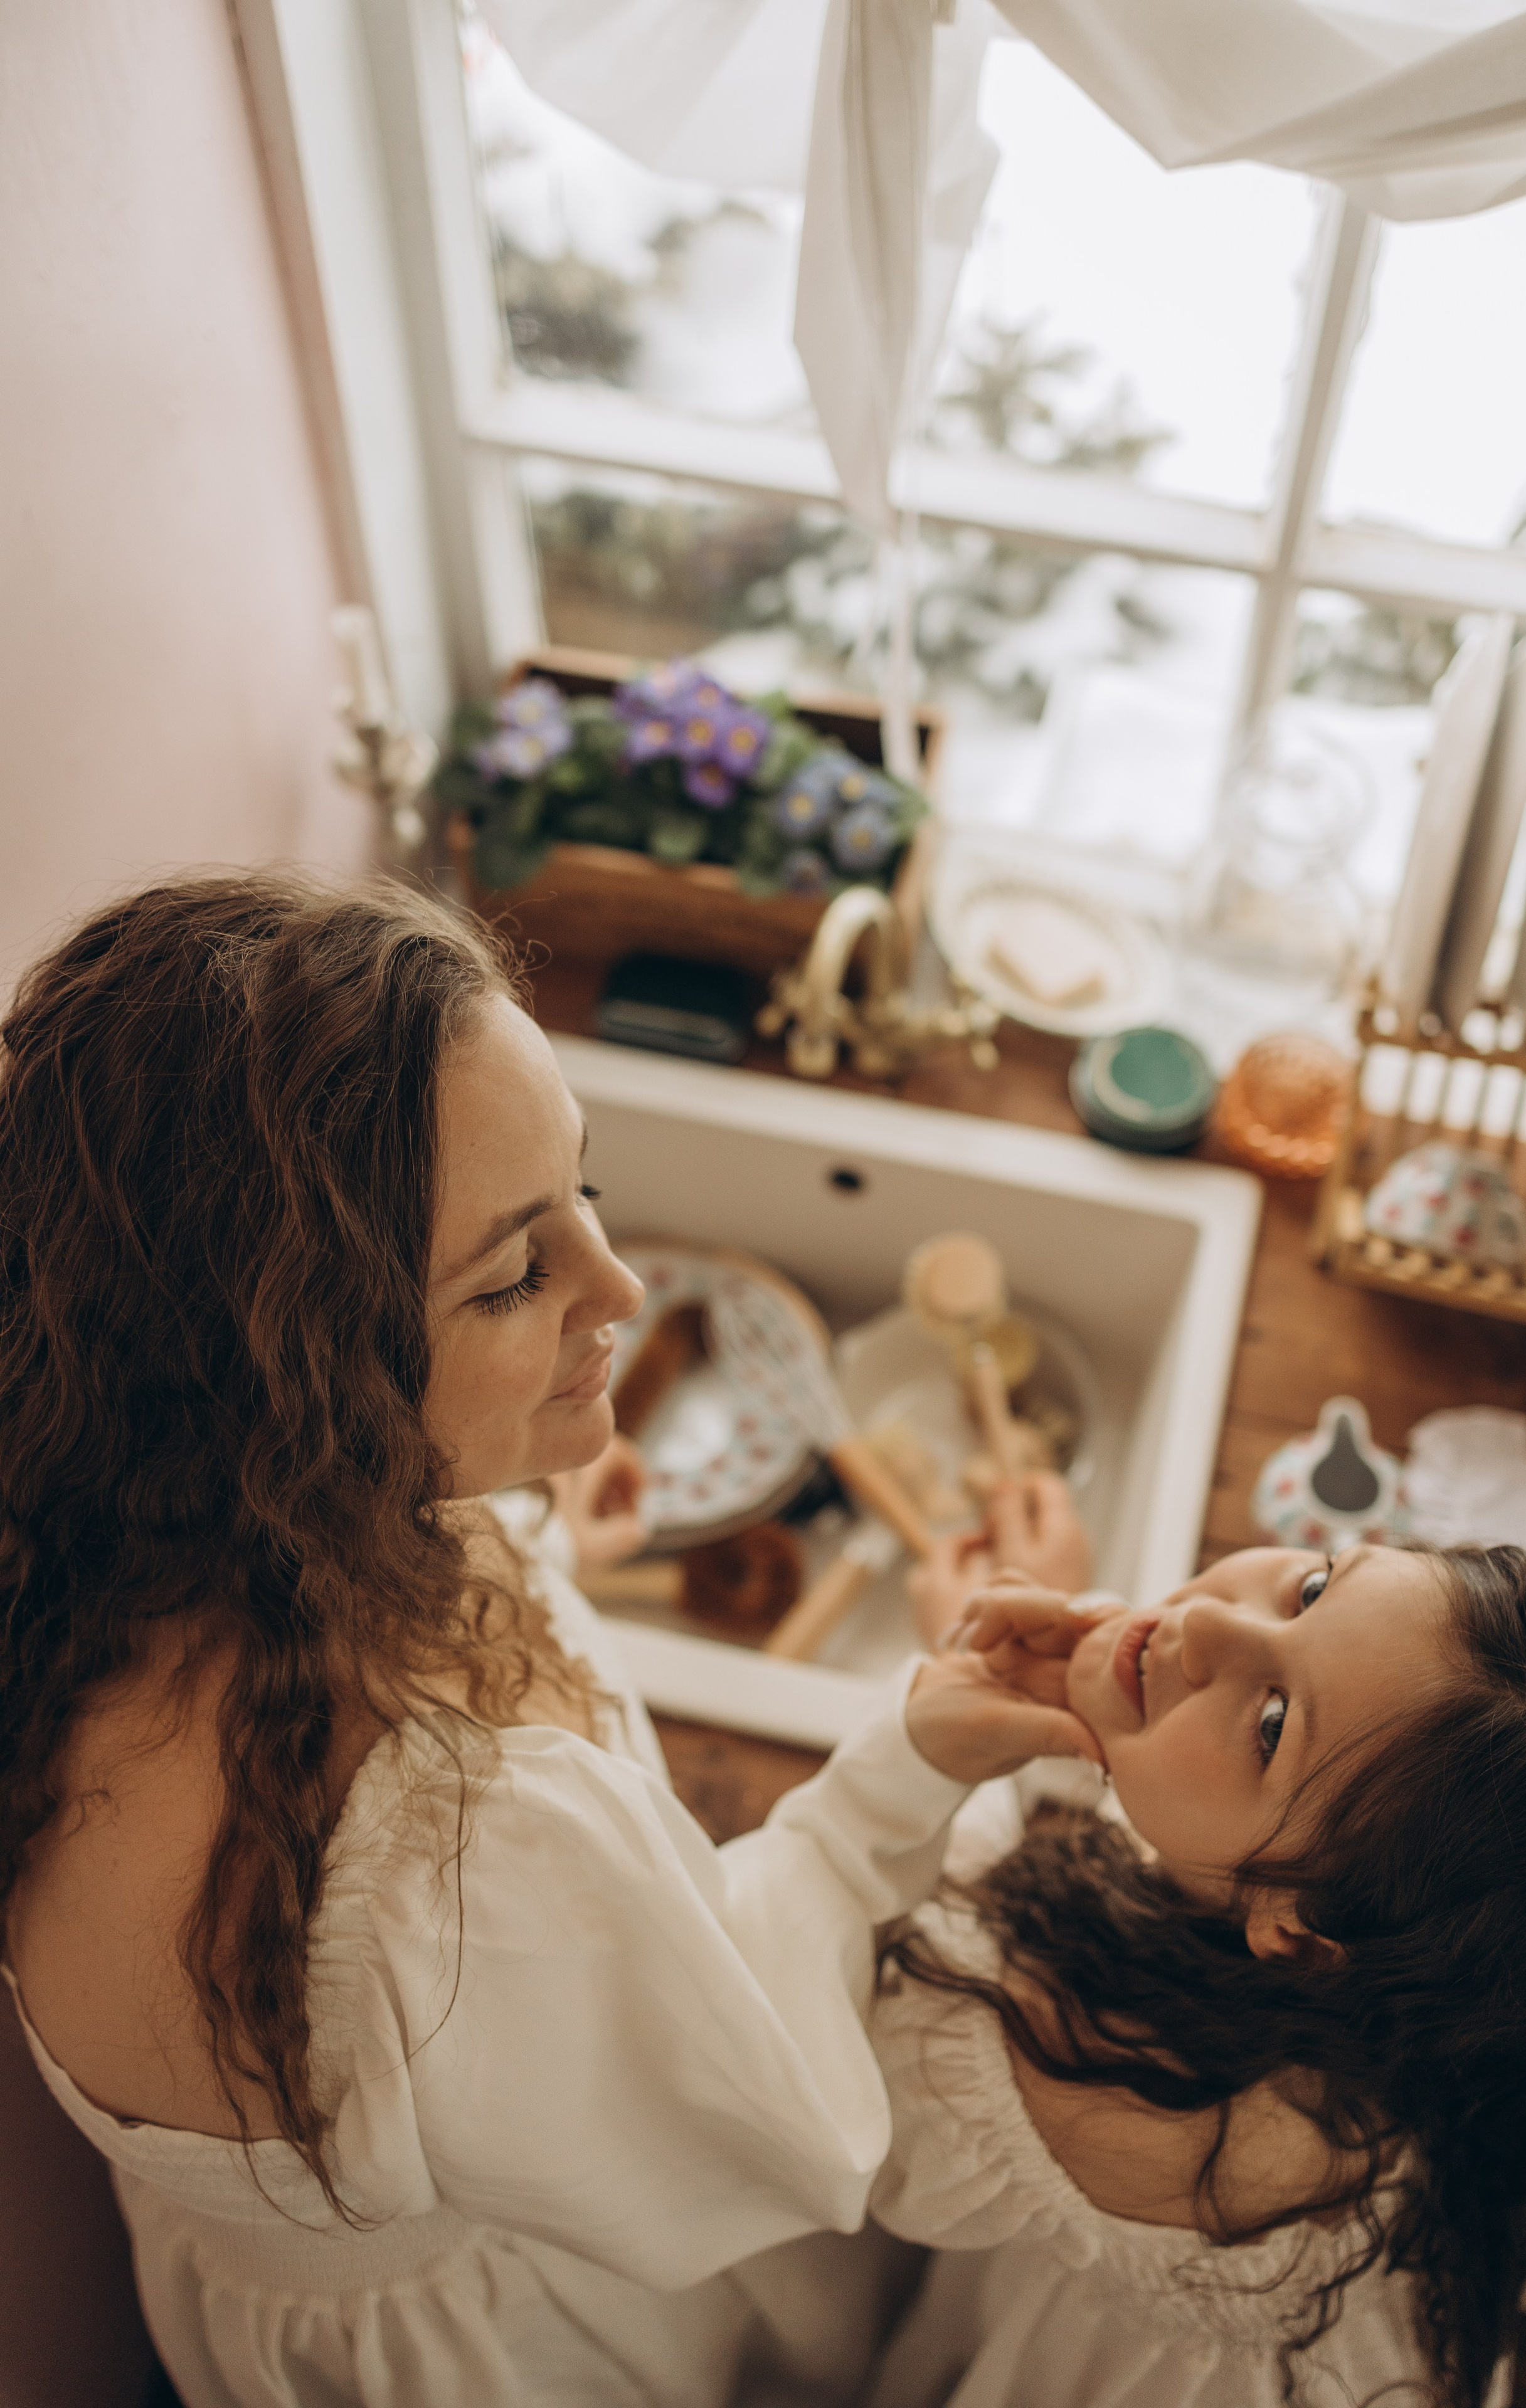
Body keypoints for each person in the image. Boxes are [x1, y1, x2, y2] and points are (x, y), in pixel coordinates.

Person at [0, 873, 1091, 2408]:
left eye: (588, 1188)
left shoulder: (105, 1546)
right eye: (515, 1272)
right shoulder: (457, 1859)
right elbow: (766, 2113)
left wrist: (537, 1530)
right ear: (306, 1384)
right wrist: (907, 1772)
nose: (622, 1286)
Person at [858, 1540, 1526, 2408]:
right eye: (1314, 1587)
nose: (1211, 1618)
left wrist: (947, 1682)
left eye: (1275, 1724)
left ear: (1299, 1929)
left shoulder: (1116, 2092)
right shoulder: (1443, 2004)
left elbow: (817, 2000)